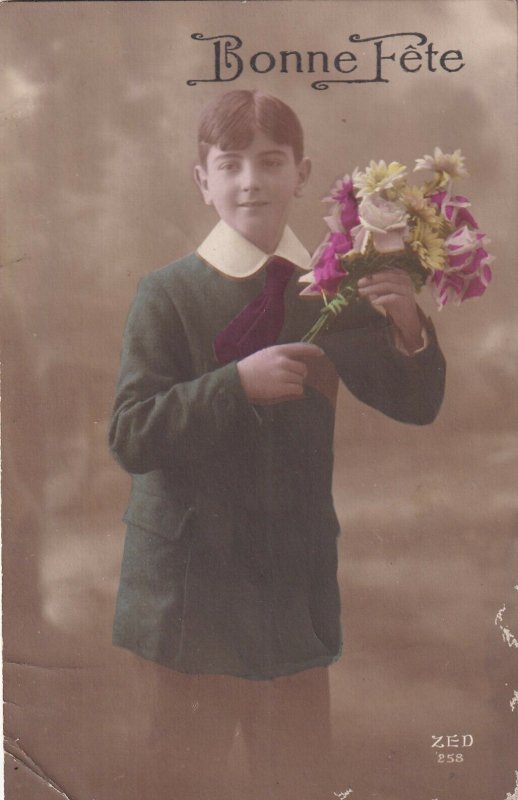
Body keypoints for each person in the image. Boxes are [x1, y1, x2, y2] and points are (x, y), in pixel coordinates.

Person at [109, 89, 445, 800]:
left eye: (270, 162)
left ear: (302, 173)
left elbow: (416, 404)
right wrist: (235, 385)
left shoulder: (329, 291)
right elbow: (131, 433)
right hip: (188, 598)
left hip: (287, 589)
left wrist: (407, 324)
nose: (251, 181)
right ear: (203, 181)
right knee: (180, 780)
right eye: (230, 165)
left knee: (295, 778)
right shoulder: (167, 293)